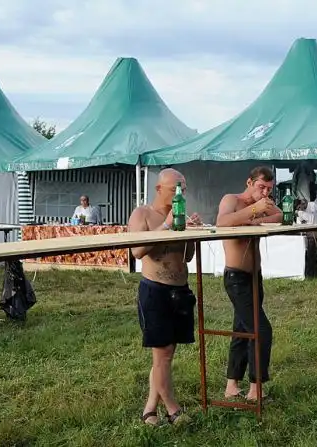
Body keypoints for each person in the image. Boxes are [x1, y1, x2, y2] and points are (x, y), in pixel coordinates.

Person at [128, 168, 202, 426]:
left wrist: (192, 232)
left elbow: (187, 256)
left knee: (165, 355)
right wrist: (167, 225)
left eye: (183, 189)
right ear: (159, 189)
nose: (180, 193)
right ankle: (173, 410)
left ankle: (150, 409)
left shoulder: (180, 214)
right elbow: (137, 251)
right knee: (163, 354)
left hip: (180, 290)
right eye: (175, 189)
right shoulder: (143, 214)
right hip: (155, 289)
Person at [216, 166, 282, 402]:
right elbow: (222, 222)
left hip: (255, 276)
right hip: (237, 277)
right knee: (261, 330)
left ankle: (231, 385)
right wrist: (254, 211)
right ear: (249, 182)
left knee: (242, 331)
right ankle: (256, 389)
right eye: (261, 187)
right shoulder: (232, 200)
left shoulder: (263, 204)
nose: (264, 193)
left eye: (269, 189)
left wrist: (255, 221)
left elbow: (280, 215)